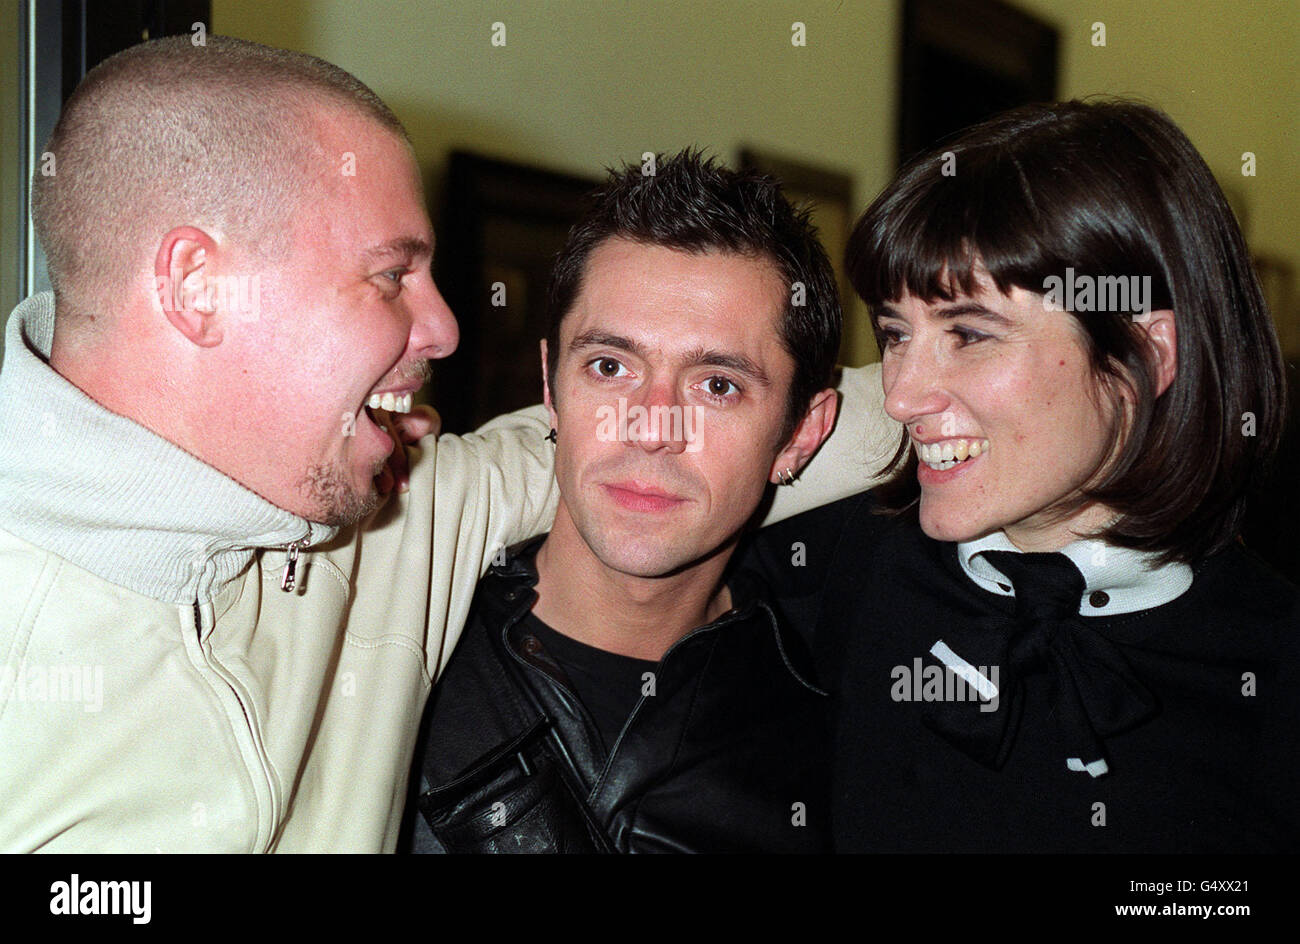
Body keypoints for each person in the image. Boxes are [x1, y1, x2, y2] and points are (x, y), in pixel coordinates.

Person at [0, 37, 885, 852]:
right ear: (199, 287)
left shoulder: (393, 514)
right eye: (392, 275)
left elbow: (858, 420)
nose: (446, 327)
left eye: (717, 386)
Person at [740, 99, 1300, 852]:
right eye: (896, 333)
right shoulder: (834, 569)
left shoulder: (1271, 661)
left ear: (1145, 355)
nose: (901, 394)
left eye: (969, 333)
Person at [402, 151, 897, 853]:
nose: (652, 428)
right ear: (550, 386)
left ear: (800, 434)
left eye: (717, 385)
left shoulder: (835, 735)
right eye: (610, 367)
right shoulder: (394, 649)